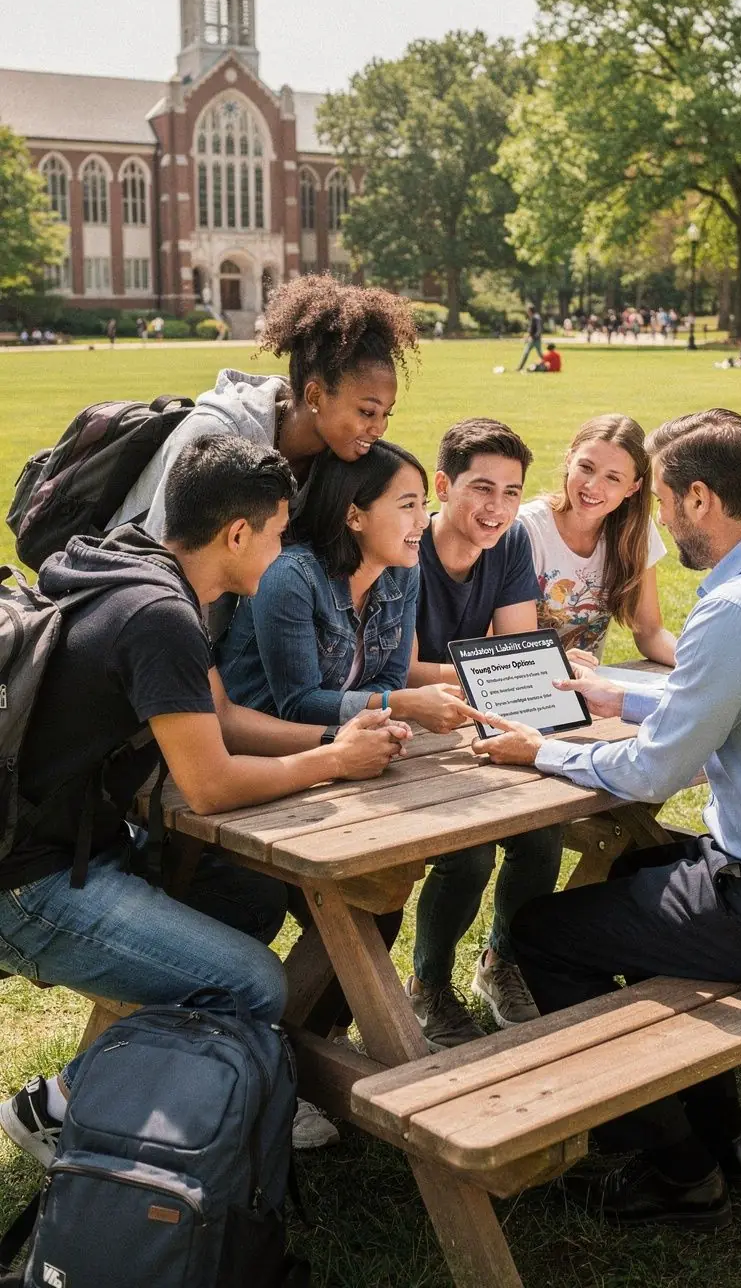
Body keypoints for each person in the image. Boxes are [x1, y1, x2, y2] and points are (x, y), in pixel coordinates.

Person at [0, 435, 408, 1168]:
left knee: (244, 898)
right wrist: (334, 763)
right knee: (249, 981)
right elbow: (210, 783)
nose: (284, 553)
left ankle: (217, 1087)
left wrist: (336, 735)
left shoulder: (132, 562)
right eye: (280, 534)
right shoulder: (161, 617)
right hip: (31, 883)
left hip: (64, 843)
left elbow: (215, 718)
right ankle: (59, 1107)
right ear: (238, 533)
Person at [462, 409, 741, 1232]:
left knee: (546, 932)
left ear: (699, 498)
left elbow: (657, 768)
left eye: (660, 499)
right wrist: (623, 694)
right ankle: (726, 1137)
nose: (656, 517)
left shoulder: (736, 610)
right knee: (633, 870)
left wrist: (538, 752)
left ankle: (676, 1166)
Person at [403, 419, 563, 1048]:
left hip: (479, 714)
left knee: (544, 828)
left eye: (512, 491)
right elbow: (404, 668)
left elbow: (517, 642)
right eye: (481, 488)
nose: (497, 508)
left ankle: (502, 962)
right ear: (443, 485)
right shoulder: (409, 545)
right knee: (467, 851)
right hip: (410, 723)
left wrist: (514, 665)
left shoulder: (512, 540)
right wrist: (499, 666)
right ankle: (428, 985)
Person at [110, 276, 418, 543]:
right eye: (367, 412)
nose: (379, 429)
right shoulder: (213, 436)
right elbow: (156, 561)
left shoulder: (336, 458)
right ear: (314, 397)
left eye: (386, 414)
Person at [218, 441, 467, 736]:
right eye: (408, 505)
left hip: (346, 740)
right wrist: (400, 704)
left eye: (423, 505)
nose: (423, 520)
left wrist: (381, 714)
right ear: (354, 516)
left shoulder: (403, 571)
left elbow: (391, 678)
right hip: (265, 749)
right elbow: (298, 705)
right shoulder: (290, 576)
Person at [518, 415, 676, 663]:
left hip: (588, 687)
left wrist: (696, 667)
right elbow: (511, 647)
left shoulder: (635, 532)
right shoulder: (525, 530)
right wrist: (557, 665)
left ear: (633, 487)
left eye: (613, 478)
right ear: (569, 459)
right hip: (529, 684)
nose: (592, 486)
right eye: (586, 467)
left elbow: (650, 633)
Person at [516, 304, 543, 371]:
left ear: (530, 311)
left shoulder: (535, 317)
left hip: (535, 339)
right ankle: (520, 367)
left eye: (528, 310)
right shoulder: (535, 317)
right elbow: (532, 329)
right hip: (535, 339)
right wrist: (528, 337)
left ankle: (520, 367)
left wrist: (534, 336)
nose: (527, 312)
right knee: (539, 354)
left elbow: (538, 328)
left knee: (526, 352)